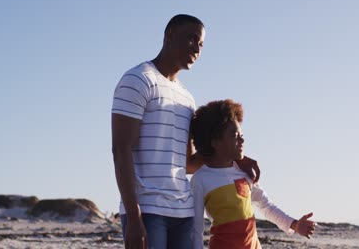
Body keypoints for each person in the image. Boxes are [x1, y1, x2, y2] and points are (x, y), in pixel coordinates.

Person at [111, 14, 260, 249]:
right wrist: (133, 215)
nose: (197, 48)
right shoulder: (138, 80)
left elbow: (189, 163)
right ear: (170, 36)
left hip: (184, 211)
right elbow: (121, 149)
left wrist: (236, 158)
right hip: (148, 210)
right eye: (192, 39)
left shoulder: (187, 98)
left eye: (201, 44)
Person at [190, 99, 316, 249]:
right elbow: (195, 229)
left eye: (241, 134)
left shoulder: (244, 172)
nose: (242, 139)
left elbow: (266, 206)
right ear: (215, 142)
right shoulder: (201, 179)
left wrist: (295, 225)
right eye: (234, 135)